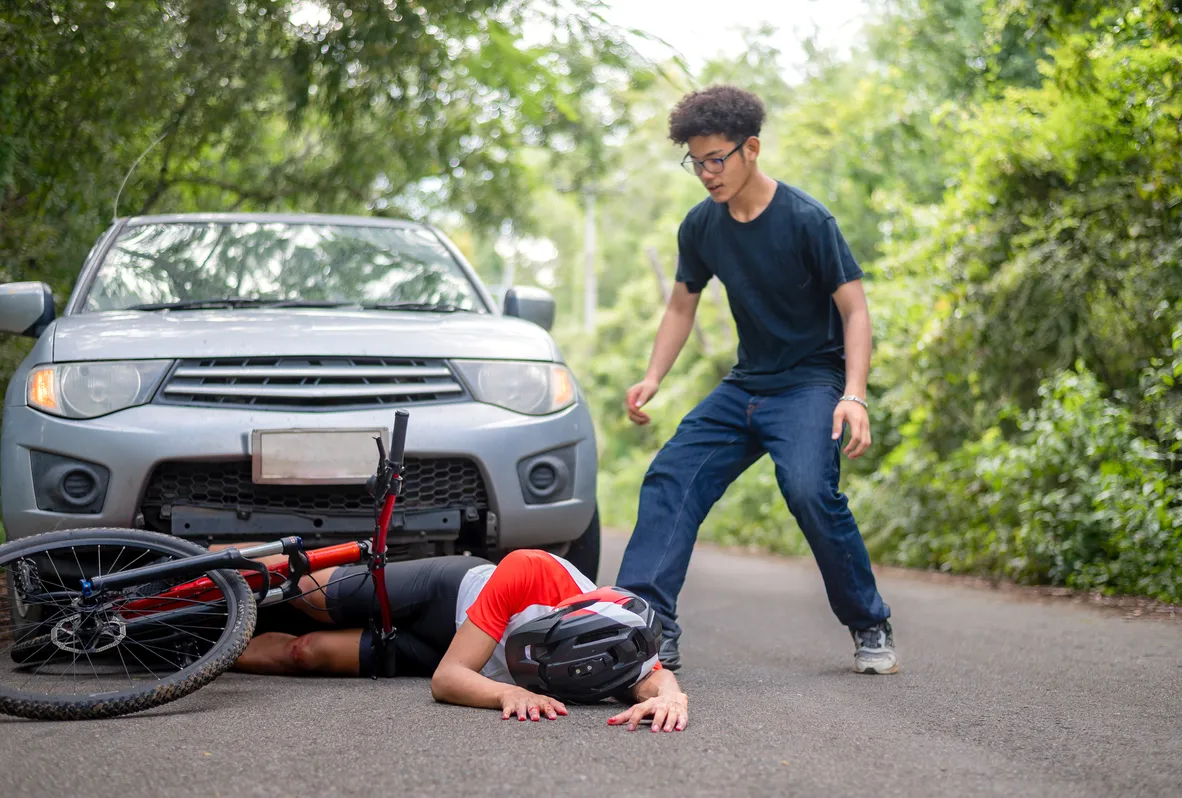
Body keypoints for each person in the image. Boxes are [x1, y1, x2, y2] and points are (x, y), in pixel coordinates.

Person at [615, 84, 897, 676]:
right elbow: (680, 306)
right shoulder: (700, 227)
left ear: (752, 149)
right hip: (745, 386)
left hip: (810, 384)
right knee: (670, 476)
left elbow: (856, 309)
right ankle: (647, 628)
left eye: (716, 158)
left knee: (808, 490)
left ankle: (868, 621)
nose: (705, 173)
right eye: (695, 160)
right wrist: (652, 377)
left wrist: (854, 394)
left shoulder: (807, 220)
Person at [235, 548, 689, 732]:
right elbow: (449, 679)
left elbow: (653, 678)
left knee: (307, 652)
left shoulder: (611, 637)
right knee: (308, 593)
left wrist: (671, 699)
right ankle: (195, 567)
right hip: (445, 596)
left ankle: (198, 652)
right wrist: (509, 691)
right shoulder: (529, 571)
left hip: (450, 653)